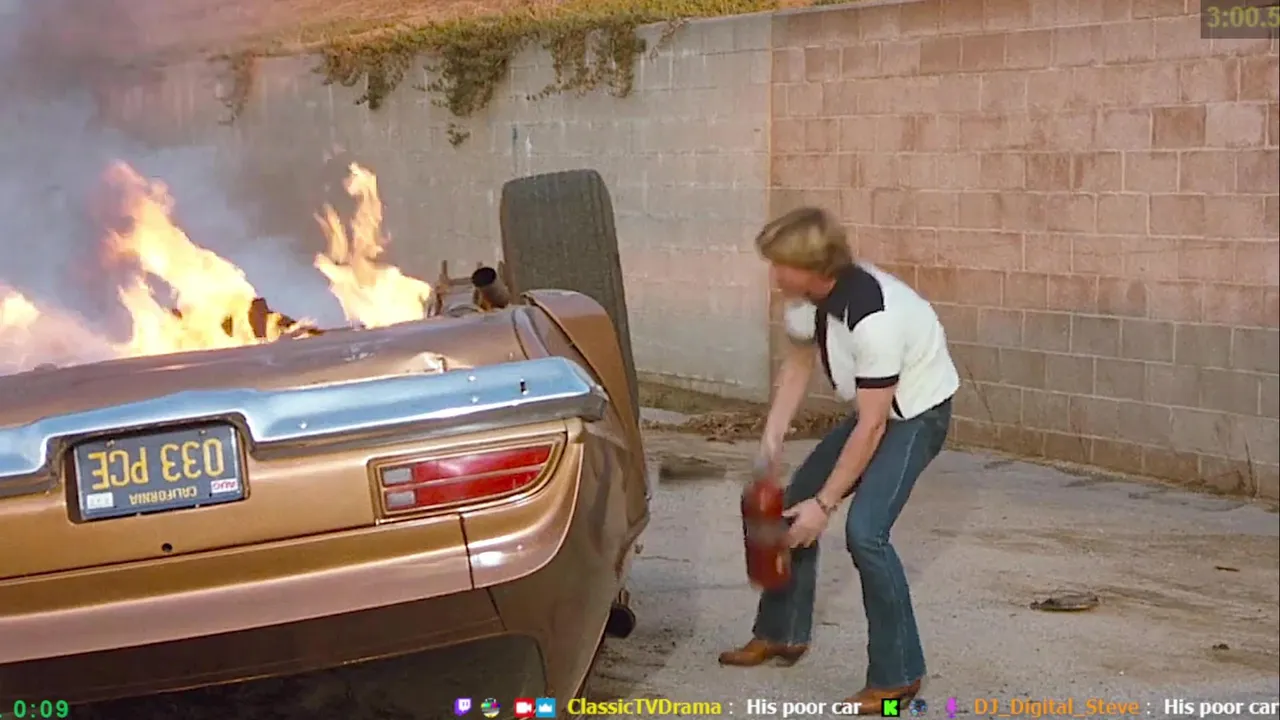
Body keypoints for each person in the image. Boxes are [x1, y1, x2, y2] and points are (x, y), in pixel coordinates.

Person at [718, 207, 959, 713]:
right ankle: (781, 633)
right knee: (791, 505)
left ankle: (898, 677)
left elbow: (872, 426)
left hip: (917, 416)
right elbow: (798, 363)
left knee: (865, 533)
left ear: (814, 267)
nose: (773, 273)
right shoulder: (805, 299)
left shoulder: (874, 318)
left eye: (781, 264)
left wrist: (825, 505)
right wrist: (771, 439)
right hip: (878, 411)